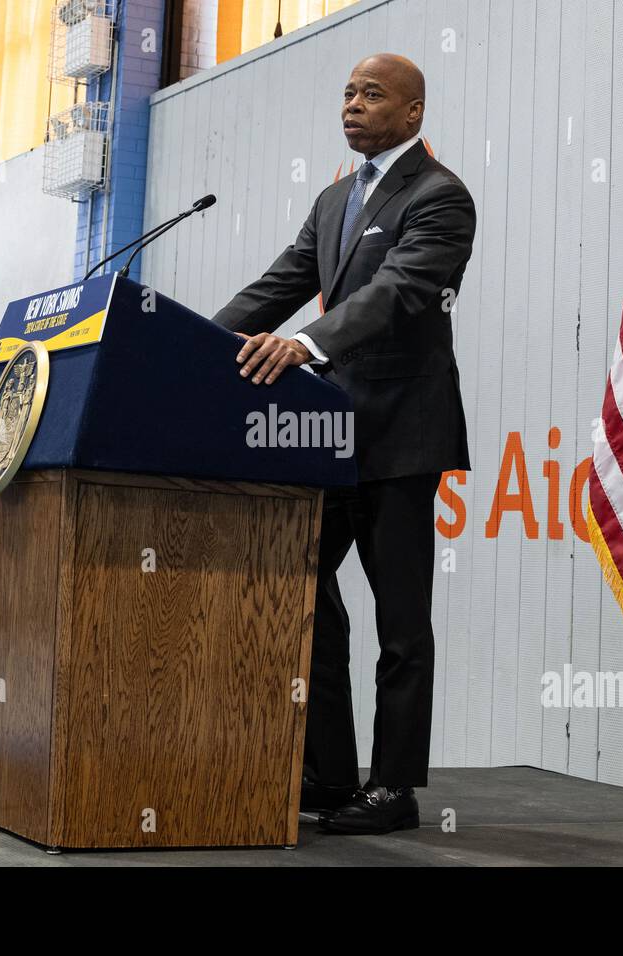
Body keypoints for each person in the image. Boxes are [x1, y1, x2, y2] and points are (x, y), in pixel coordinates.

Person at [213, 53, 475, 835]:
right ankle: (328, 774)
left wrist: (305, 346)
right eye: (348, 93)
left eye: (372, 94)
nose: (353, 105)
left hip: (400, 438)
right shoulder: (335, 198)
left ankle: (394, 789)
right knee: (302, 593)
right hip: (329, 442)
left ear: (413, 112)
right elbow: (279, 282)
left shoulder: (441, 197)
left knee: (401, 624)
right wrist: (192, 341)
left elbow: (393, 296)